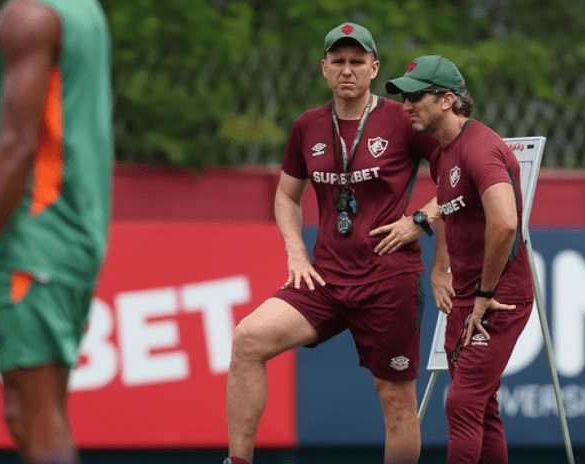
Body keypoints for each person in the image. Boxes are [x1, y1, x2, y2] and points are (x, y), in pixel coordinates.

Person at [225, 23, 440, 464]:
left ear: (374, 68)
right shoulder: (307, 125)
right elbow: (286, 196)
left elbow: (460, 178)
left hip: (388, 280)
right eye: (338, 62)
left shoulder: (402, 120)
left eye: (357, 62)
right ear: (324, 68)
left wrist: (420, 220)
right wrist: (295, 250)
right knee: (248, 339)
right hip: (324, 280)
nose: (347, 70)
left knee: (395, 399)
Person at [0, 0, 113, 463]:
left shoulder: (29, 15)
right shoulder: (82, 10)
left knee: (35, 418)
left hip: (36, 236)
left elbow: (17, 145)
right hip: (66, 232)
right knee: (31, 412)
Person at [386, 55, 534, 464]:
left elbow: (505, 224)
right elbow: (451, 211)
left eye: (416, 96)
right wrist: (439, 269)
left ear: (447, 99)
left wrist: (485, 293)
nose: (406, 105)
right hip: (466, 297)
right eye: (404, 97)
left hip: (498, 298)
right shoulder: (441, 153)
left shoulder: (480, 148)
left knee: (462, 402)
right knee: (482, 408)